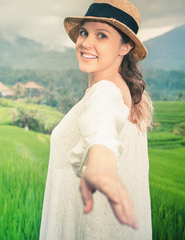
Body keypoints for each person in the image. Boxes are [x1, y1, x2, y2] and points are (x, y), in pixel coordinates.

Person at [40, 0, 153, 239]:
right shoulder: (128, 94)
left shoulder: (106, 91)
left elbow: (102, 121)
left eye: (102, 35)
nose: (86, 43)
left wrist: (101, 159)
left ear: (125, 47)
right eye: (84, 32)